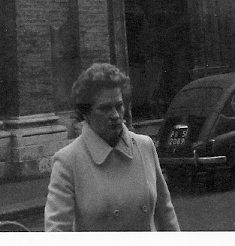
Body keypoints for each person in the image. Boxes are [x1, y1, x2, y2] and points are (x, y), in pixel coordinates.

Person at [44, 62, 179, 232]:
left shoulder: (145, 146)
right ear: (86, 113)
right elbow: (57, 232)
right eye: (105, 108)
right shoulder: (68, 161)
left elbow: (166, 214)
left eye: (119, 105)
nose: (115, 115)